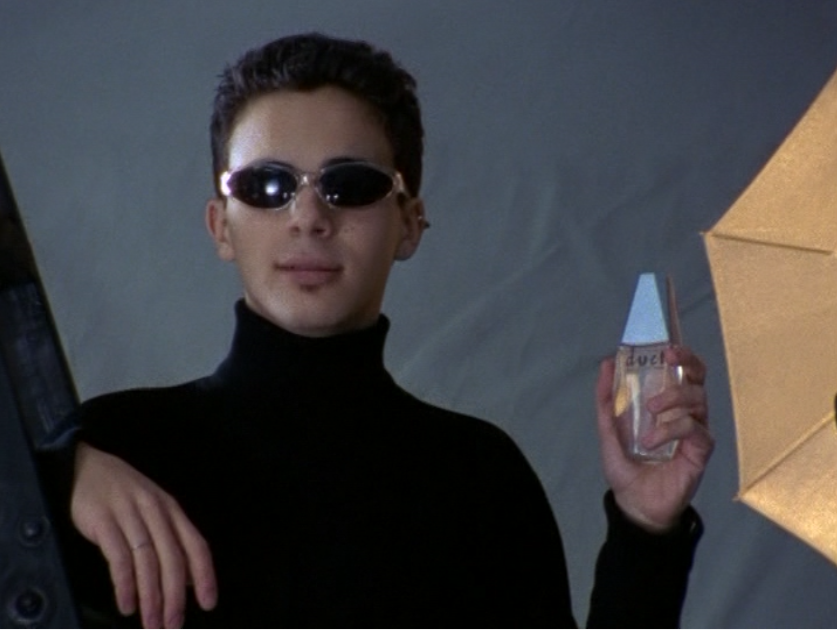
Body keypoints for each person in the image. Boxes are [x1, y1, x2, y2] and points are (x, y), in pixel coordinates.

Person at [56, 32, 714, 628]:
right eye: (266, 185)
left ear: (409, 223)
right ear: (219, 224)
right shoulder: (111, 452)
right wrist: (42, 480)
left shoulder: (480, 479)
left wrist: (645, 531)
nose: (308, 216)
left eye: (349, 185)